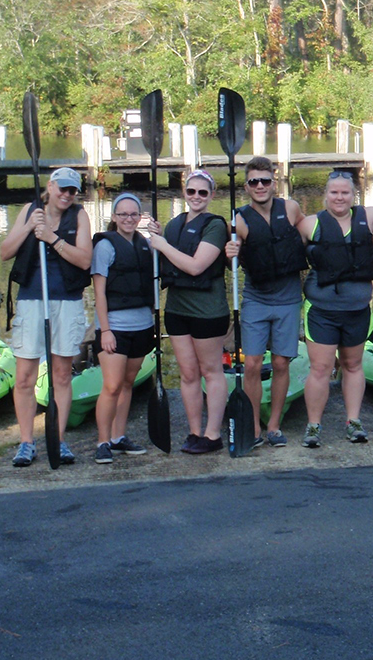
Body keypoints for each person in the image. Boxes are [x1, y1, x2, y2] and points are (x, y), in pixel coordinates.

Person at [297, 171, 373, 448]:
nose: (339, 197)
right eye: (334, 192)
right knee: (320, 368)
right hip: (321, 309)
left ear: (353, 195)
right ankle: (313, 425)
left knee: (353, 365)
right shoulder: (310, 224)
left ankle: (353, 421)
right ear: (326, 195)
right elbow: (288, 256)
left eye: (345, 192)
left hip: (357, 308)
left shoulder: (368, 217)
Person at [0, 166, 93, 467]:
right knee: (25, 376)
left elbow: (84, 260)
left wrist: (52, 238)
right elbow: (4, 252)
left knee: (62, 374)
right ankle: (27, 441)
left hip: (66, 300)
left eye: (72, 191)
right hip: (31, 299)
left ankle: (59, 438)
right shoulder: (30, 210)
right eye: (62, 189)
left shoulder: (78, 216)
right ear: (50, 187)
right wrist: (29, 228)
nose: (67, 195)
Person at [223, 157, 306, 448]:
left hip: (288, 299)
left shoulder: (291, 208)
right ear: (246, 187)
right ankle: (254, 425)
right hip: (257, 300)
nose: (260, 186)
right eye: (254, 182)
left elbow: (311, 234)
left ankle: (274, 426)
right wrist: (230, 251)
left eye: (265, 180)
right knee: (254, 364)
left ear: (274, 181)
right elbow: (230, 259)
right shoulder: (240, 219)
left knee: (282, 362)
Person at [147, 170, 230, 454]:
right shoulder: (173, 224)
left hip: (208, 311)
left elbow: (196, 266)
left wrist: (163, 245)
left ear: (211, 196)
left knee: (211, 370)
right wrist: (156, 239)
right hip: (177, 310)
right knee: (188, 373)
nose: (196, 197)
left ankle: (213, 434)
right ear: (184, 192)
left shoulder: (216, 226)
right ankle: (195, 432)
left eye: (202, 193)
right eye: (191, 192)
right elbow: (163, 259)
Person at [90, 193, 153, 464]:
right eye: (123, 214)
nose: (129, 219)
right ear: (114, 217)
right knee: (112, 385)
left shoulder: (145, 245)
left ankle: (118, 437)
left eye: (133, 214)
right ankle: (102, 441)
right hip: (114, 326)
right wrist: (105, 331)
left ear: (140, 217)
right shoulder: (105, 247)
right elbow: (99, 292)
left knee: (128, 383)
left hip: (142, 325)